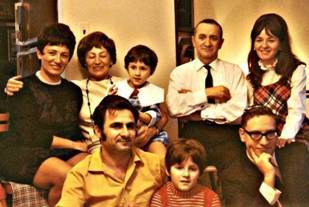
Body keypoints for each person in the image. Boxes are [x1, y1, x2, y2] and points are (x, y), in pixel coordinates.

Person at [5, 31, 168, 153]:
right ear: (84, 61)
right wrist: (10, 86)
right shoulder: (73, 88)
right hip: (95, 149)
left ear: (111, 60)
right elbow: (45, 88)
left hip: (129, 142)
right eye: (91, 56)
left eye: (103, 56)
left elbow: (163, 115)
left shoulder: (128, 84)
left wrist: (152, 131)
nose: (97, 61)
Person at [0, 23, 87, 206]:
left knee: (94, 167)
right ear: (40, 54)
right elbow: (28, 134)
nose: (58, 60)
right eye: (52, 52)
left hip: (59, 152)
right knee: (67, 176)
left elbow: (72, 129)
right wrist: (73, 144)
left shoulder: (73, 91)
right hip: (22, 151)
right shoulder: (22, 88)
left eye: (64, 55)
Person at [56, 95, 166, 207]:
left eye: (130, 126)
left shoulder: (156, 165)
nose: (126, 133)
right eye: (116, 126)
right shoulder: (80, 175)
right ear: (98, 131)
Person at [166, 18, 247, 171]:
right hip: (193, 133)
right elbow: (174, 108)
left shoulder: (234, 71)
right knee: (187, 174)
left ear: (221, 43)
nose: (207, 43)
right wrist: (207, 93)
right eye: (202, 37)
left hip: (228, 135)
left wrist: (197, 110)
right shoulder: (180, 73)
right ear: (193, 40)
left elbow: (238, 112)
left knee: (238, 177)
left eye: (213, 38)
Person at [221, 105, 309, 207]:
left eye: (270, 133)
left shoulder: (297, 153)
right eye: (255, 134)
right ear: (242, 135)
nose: (264, 142)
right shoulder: (231, 175)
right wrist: (268, 176)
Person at [247, 13, 306, 149]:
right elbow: (250, 115)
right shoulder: (251, 78)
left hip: (290, 136)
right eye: (259, 40)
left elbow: (296, 109)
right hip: (263, 138)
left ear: (281, 43)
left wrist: (285, 136)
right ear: (254, 44)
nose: (264, 45)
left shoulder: (296, 70)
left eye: (271, 40)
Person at [112, 45, 168, 156]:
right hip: (125, 134)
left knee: (160, 157)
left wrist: (153, 131)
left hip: (152, 136)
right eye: (133, 67)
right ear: (127, 67)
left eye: (143, 68)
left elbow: (162, 116)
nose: (137, 73)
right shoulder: (117, 88)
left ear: (151, 71)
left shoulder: (154, 92)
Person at [150, 139, 221, 207]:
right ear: (168, 171)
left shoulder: (211, 199)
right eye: (179, 168)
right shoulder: (160, 198)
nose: (186, 174)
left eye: (192, 169)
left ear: (200, 172)